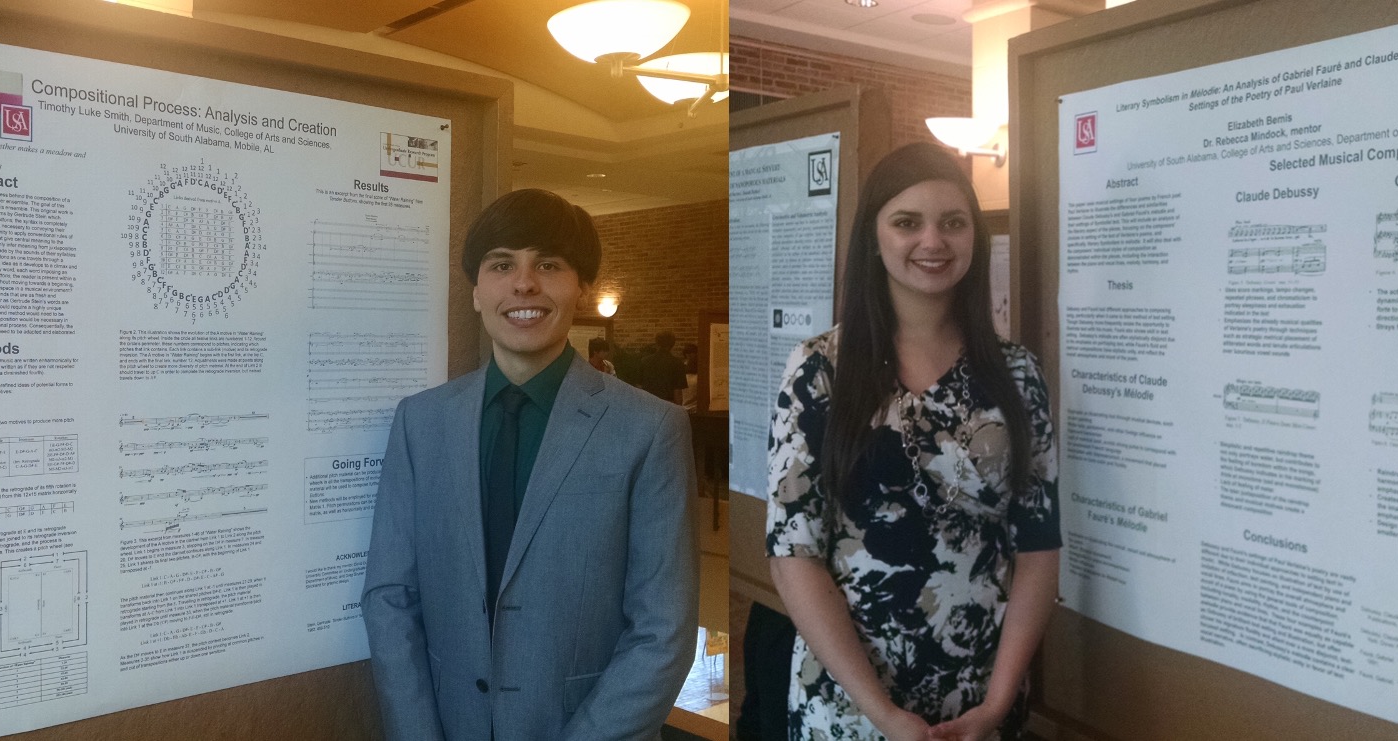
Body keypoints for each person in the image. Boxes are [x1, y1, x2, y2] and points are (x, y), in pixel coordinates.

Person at [363, 189, 698, 741]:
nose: (524, 284)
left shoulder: (648, 429)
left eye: (548, 264)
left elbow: (663, 631)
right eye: (502, 265)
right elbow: (390, 597)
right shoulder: (421, 423)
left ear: (581, 287)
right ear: (476, 291)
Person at [766, 143, 1062, 740]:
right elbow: (793, 553)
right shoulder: (821, 368)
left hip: (980, 697)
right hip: (849, 705)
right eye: (907, 222)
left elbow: (1037, 547)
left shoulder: (1016, 374)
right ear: (873, 238)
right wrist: (886, 716)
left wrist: (998, 703)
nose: (934, 241)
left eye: (953, 222)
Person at [639, 331, 689, 405]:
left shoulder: (644, 361)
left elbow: (639, 386)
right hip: (667, 404)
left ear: (657, 342)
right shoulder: (677, 363)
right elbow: (677, 393)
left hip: (648, 403)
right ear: (672, 344)